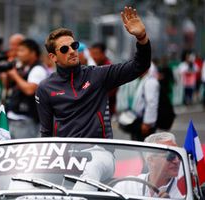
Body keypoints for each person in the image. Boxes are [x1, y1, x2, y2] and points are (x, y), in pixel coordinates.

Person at [36, 7, 151, 138]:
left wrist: (142, 38)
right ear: (53, 57)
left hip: (100, 150)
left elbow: (140, 66)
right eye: (64, 49)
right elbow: (46, 132)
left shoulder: (98, 74)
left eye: (74, 46)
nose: (72, 51)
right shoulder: (45, 88)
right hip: (66, 153)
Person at [113, 132, 184, 199]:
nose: (177, 161)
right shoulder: (128, 185)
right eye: (171, 155)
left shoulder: (185, 190)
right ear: (151, 160)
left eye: (178, 155)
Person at [6, 39, 48, 139]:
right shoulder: (22, 68)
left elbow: (30, 90)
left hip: (26, 121)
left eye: (22, 51)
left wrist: (14, 75)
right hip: (14, 118)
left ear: (33, 53)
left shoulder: (38, 69)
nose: (18, 54)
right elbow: (8, 87)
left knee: (21, 152)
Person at [130, 63, 160, 141]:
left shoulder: (150, 82)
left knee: (143, 147)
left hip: (144, 122)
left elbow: (151, 103)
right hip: (140, 120)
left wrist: (147, 123)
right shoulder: (145, 80)